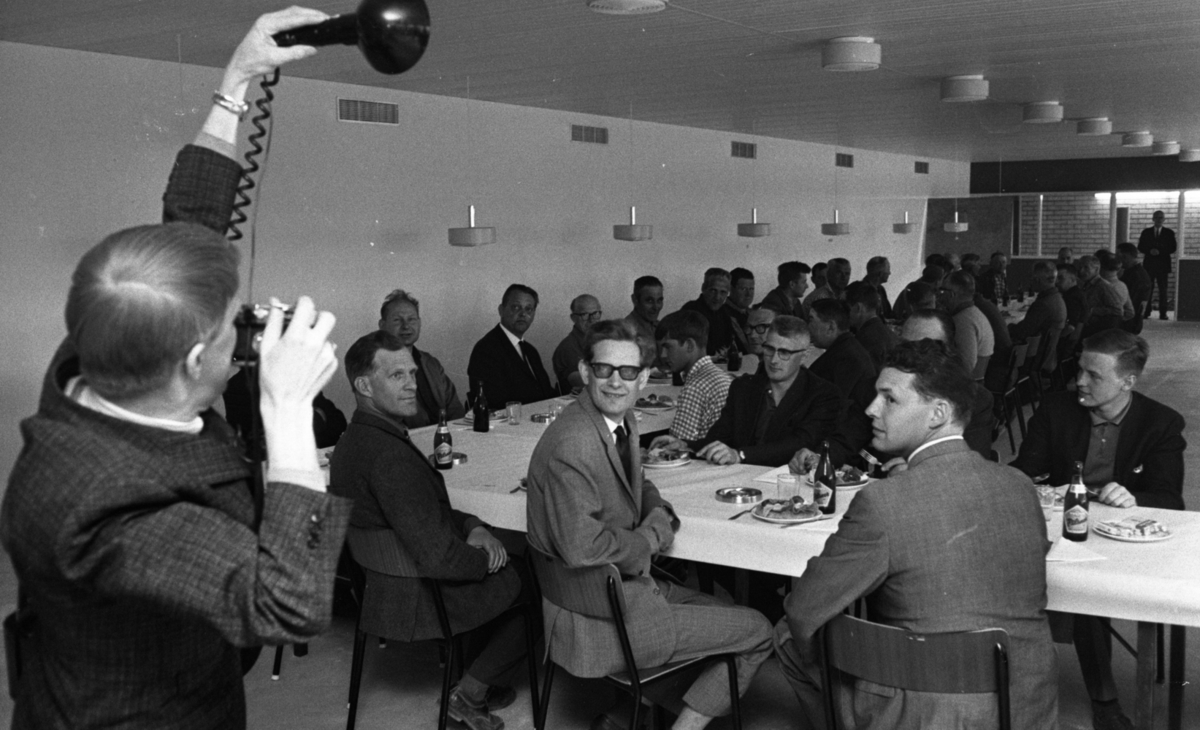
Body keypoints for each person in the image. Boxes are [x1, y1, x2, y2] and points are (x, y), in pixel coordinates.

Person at [0, 11, 352, 728]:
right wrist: (288, 412)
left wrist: (237, 81)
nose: (245, 332)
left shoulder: (104, 348)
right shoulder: (110, 513)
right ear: (193, 358)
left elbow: (189, 230)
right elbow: (288, 603)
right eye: (231, 329)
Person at [776, 340, 1058, 730]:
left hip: (929, 712)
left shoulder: (882, 501)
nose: (871, 408)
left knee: (787, 634)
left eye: (889, 399)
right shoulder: (1020, 485)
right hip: (1026, 703)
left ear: (938, 413)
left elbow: (804, 610)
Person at [525, 319, 773, 730]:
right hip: (599, 619)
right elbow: (583, 548)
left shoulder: (616, 420)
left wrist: (657, 510)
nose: (615, 382)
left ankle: (627, 714)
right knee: (759, 629)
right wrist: (654, 534)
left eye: (628, 372)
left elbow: (638, 482)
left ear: (643, 378)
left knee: (724, 612)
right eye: (604, 369)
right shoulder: (574, 443)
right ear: (585, 371)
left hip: (615, 594)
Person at [331, 331, 528, 730]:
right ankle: (470, 693)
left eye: (412, 373)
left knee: (497, 551)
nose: (411, 384)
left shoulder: (355, 440)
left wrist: (473, 526)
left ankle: (472, 675)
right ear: (364, 386)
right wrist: (489, 559)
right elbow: (441, 558)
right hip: (420, 596)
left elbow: (426, 512)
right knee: (533, 577)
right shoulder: (388, 456)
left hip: (380, 588)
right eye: (396, 375)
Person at [1012, 329, 1185, 730]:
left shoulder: (1159, 423)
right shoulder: (1056, 409)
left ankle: (1104, 700)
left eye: (1094, 375)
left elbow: (1170, 499)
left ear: (1128, 381)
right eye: (1079, 370)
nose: (1079, 381)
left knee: (1086, 590)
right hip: (1062, 529)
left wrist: (1134, 497)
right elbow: (1024, 470)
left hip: (1121, 540)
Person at [662, 316, 841, 467]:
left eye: (784, 353)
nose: (774, 360)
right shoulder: (743, 388)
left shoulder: (822, 394)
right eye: (769, 349)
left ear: (804, 356)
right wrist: (684, 446)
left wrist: (740, 455)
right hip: (738, 480)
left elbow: (797, 444)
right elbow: (718, 439)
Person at [379, 288, 465, 428]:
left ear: (419, 323)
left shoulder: (430, 363)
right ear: (382, 325)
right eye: (397, 320)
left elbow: (455, 410)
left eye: (411, 319)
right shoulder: (377, 367)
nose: (406, 326)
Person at [467, 284, 556, 407]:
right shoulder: (486, 350)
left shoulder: (531, 351)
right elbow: (494, 403)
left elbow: (545, 392)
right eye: (516, 307)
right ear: (501, 310)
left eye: (529, 309)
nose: (523, 314)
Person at [653, 310, 733, 442]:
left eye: (668, 347)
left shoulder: (695, 387)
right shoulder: (722, 376)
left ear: (689, 345)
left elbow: (677, 447)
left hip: (701, 454)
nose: (662, 355)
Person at [807, 299, 877, 417]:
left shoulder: (848, 358)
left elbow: (833, 407)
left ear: (831, 327)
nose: (808, 327)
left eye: (811, 320)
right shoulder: (846, 348)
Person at [1008, 261, 1067, 376]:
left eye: (1032, 278)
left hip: (1035, 359)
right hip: (1048, 356)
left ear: (1037, 280)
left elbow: (1022, 332)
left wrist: (1007, 327)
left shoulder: (1043, 304)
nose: (1031, 281)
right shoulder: (1057, 298)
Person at [940, 271, 994, 379]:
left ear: (951, 294)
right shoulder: (974, 313)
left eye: (942, 291)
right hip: (978, 380)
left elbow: (966, 366)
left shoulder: (963, 320)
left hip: (969, 384)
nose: (939, 296)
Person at [680, 268, 740, 359]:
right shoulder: (690, 312)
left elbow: (729, 345)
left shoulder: (725, 314)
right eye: (713, 290)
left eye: (723, 292)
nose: (717, 297)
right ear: (703, 288)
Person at [552, 294, 603, 393]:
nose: (592, 320)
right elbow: (581, 380)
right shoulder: (567, 347)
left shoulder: (603, 341)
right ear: (573, 318)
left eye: (595, 313)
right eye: (585, 315)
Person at [846, 281, 897, 374]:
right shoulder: (887, 332)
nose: (842, 314)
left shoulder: (864, 340)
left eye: (846, 308)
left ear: (858, 308)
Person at [1137, 210, 1176, 320]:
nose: (1159, 220)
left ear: (1164, 219)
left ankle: (1163, 313)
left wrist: (1160, 252)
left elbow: (1173, 247)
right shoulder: (1146, 232)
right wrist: (1150, 251)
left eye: (1161, 218)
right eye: (1157, 217)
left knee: (1163, 289)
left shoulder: (1169, 233)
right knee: (1148, 288)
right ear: (1153, 219)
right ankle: (1146, 312)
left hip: (1163, 265)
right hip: (1149, 264)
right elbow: (1140, 246)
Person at [1077, 255, 1124, 337]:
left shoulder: (1103, 286)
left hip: (1098, 331)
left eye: (1086, 268)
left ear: (1096, 269)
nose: (1081, 271)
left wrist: (1093, 311)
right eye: (1080, 267)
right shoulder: (1085, 284)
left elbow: (1118, 310)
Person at [1117, 242, 1151, 335]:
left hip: (1128, 323)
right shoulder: (1137, 273)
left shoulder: (1134, 276)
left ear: (1125, 256)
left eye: (1119, 256)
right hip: (1133, 322)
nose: (1118, 260)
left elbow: (1127, 302)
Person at [625, 275, 665, 347]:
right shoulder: (625, 332)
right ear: (635, 300)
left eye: (659, 300)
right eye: (649, 301)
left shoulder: (660, 327)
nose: (656, 307)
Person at [1098, 254, 1134, 323]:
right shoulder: (1122, 285)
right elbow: (1130, 312)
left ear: (1099, 268)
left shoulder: (1099, 286)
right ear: (1119, 268)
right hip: (1115, 324)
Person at [860, 256, 893, 320]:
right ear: (880, 273)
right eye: (888, 269)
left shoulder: (881, 290)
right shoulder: (862, 291)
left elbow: (889, 314)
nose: (889, 273)